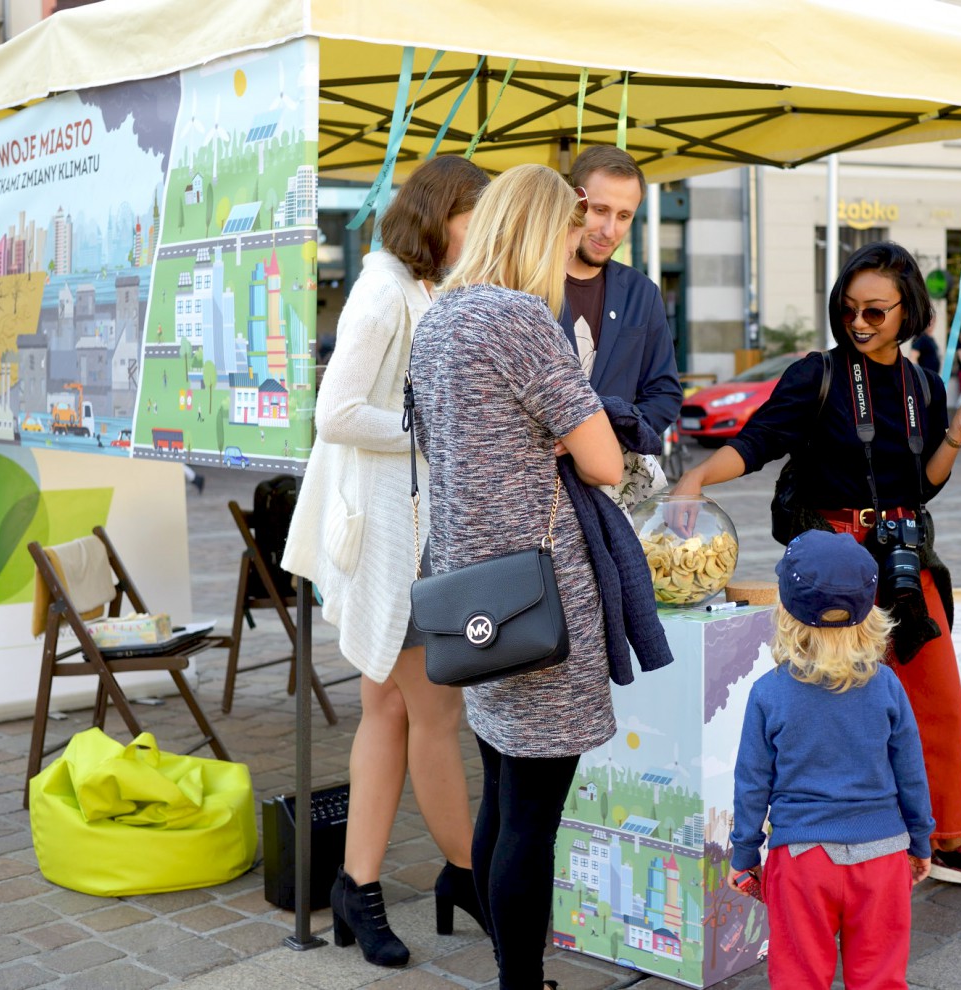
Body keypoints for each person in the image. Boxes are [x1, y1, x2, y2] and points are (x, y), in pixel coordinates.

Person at [674, 241, 961, 892]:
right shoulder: (818, 375)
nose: (859, 323)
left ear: (908, 310)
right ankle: (820, 851)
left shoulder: (925, 385)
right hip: (832, 566)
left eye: (875, 312)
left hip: (901, 560)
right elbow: (758, 442)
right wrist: (697, 475)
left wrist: (958, 433)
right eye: (848, 309)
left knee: (938, 702)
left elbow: (921, 485)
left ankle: (950, 840)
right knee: (828, 709)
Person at [410, 163, 624, 990]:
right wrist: (572, 425)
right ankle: (521, 983)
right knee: (535, 819)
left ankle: (513, 973)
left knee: (503, 785)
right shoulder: (520, 320)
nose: (580, 248)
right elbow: (603, 459)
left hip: (475, 593)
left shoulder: (442, 319)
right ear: (544, 232)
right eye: (573, 232)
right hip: (538, 597)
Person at [281, 155, 490, 967]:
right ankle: (471, 874)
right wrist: (432, 435)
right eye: (477, 215)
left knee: (392, 713)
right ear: (440, 214)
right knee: (436, 717)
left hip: (407, 536)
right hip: (384, 539)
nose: (485, 232)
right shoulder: (382, 287)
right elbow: (335, 413)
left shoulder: (430, 287)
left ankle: (357, 888)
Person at [729, 530, 933, 990]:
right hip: (882, 855)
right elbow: (912, 775)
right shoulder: (886, 687)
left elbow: (751, 783)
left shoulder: (768, 692)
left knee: (798, 977)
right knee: (880, 978)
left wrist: (745, 854)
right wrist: (919, 842)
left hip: (801, 860)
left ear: (785, 611)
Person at [558, 146, 683, 437]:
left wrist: (607, 440)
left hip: (611, 474)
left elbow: (664, 394)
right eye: (600, 211)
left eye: (624, 216)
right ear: (572, 202)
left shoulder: (642, 293)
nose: (610, 231)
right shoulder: (525, 284)